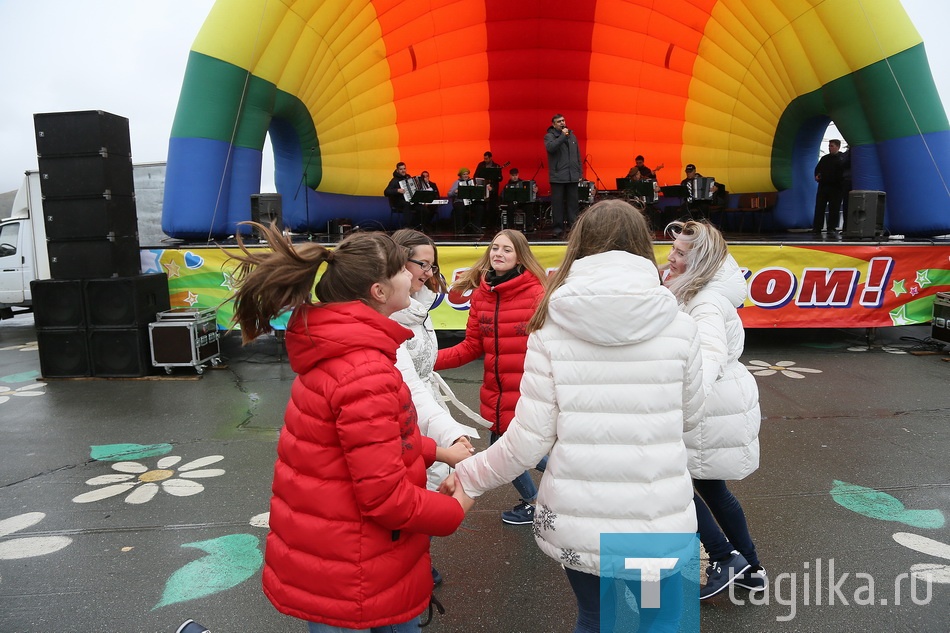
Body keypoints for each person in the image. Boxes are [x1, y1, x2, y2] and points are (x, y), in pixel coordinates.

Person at [444, 200, 704, 633]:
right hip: (655, 518)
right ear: (644, 245)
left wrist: (470, 477)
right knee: (660, 618)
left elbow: (527, 440)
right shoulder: (679, 325)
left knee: (594, 617)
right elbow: (691, 418)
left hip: (581, 519)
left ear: (579, 246)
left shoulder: (550, 327)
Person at [228, 223, 473, 632]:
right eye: (403, 269)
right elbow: (386, 497)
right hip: (355, 567)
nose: (414, 277)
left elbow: (373, 445)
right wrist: (455, 507)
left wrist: (437, 452)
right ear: (379, 291)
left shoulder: (349, 350)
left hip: (341, 555)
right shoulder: (365, 370)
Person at [663, 219, 765, 600]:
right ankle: (751, 568)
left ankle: (725, 558)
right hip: (710, 405)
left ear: (702, 261)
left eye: (680, 253)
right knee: (710, 489)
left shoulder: (705, 302)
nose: (670, 257)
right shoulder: (693, 291)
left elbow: (707, 357)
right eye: (672, 248)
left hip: (703, 406)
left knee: (675, 484)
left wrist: (682, 406)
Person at [434, 229, 548, 525]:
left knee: (530, 454)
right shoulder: (483, 293)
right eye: (494, 248)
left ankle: (573, 492)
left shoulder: (538, 293)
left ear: (520, 256)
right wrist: (427, 362)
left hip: (529, 393)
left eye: (507, 250)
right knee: (507, 450)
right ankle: (534, 503)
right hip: (496, 396)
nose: (498, 253)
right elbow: (472, 346)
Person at [391, 228, 483, 587]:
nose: (428, 272)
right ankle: (408, 568)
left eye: (432, 265)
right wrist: (451, 440)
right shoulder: (394, 314)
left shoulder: (418, 306)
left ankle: (412, 563)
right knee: (411, 493)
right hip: (409, 415)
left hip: (422, 411)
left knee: (423, 487)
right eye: (422, 264)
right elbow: (410, 384)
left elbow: (423, 371)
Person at [544, 113, 583, 236]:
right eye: (559, 121)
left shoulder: (572, 137)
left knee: (573, 204)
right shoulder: (549, 136)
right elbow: (551, 148)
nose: (562, 123)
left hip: (572, 176)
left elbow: (577, 156)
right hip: (558, 176)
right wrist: (562, 136)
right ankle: (557, 229)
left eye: (563, 120)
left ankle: (573, 229)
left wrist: (579, 172)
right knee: (558, 204)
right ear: (553, 124)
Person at [813, 139, 845, 234]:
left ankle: (831, 228)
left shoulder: (842, 158)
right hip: (823, 186)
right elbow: (818, 169)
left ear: (838, 147)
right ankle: (817, 227)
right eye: (829, 146)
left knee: (834, 208)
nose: (829, 148)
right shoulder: (824, 158)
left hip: (836, 188)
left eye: (832, 146)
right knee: (819, 207)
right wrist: (817, 175)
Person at [448, 167, 485, 233]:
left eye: (467, 174)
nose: (466, 176)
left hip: (470, 202)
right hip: (460, 201)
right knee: (460, 207)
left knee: (480, 207)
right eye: (464, 174)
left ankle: (476, 227)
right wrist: (455, 191)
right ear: (460, 175)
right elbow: (449, 194)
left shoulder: (472, 182)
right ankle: (460, 228)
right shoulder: (457, 182)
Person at [384, 161, 417, 228]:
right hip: (398, 202)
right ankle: (408, 227)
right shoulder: (394, 180)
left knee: (420, 207)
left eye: (404, 169)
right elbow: (386, 192)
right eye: (401, 169)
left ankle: (418, 226)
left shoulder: (408, 177)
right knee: (407, 204)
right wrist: (397, 190)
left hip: (409, 200)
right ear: (397, 170)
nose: (403, 171)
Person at [475, 151, 503, 227]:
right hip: (483, 188)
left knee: (493, 206)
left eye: (487, 158)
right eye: (484, 158)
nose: (485, 160)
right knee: (482, 206)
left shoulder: (496, 166)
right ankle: (482, 223)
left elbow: (500, 179)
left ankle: (492, 224)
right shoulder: (481, 165)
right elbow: (476, 175)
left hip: (493, 189)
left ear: (491, 158)